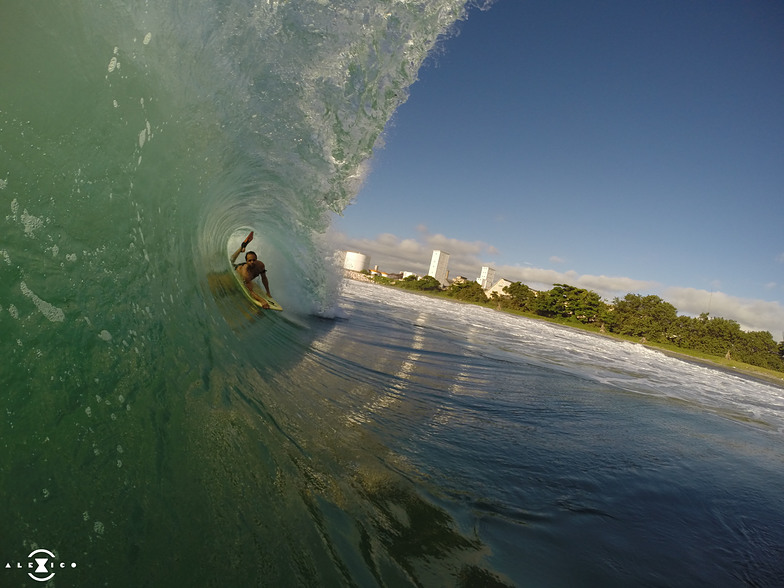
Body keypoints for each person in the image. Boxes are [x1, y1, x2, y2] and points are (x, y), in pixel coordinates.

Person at [230, 231, 272, 309]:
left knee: (232, 261)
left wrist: (268, 292)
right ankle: (242, 247)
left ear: (256, 259)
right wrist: (262, 301)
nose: (252, 262)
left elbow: (264, 278)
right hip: (238, 269)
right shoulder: (245, 273)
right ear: (246, 261)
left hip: (245, 266)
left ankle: (243, 246)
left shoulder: (260, 265)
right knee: (231, 262)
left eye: (254, 260)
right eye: (249, 260)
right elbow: (250, 291)